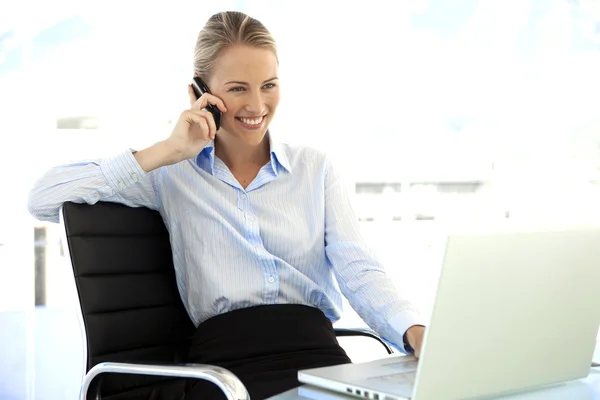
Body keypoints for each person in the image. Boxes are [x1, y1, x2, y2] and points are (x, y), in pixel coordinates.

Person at [27, 10, 426, 400]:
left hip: (320, 359)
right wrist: (168, 150)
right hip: (225, 373)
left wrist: (412, 330)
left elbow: (359, 267)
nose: (257, 106)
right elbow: (43, 197)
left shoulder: (314, 168)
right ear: (198, 94)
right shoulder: (171, 174)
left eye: (268, 85)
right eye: (238, 89)